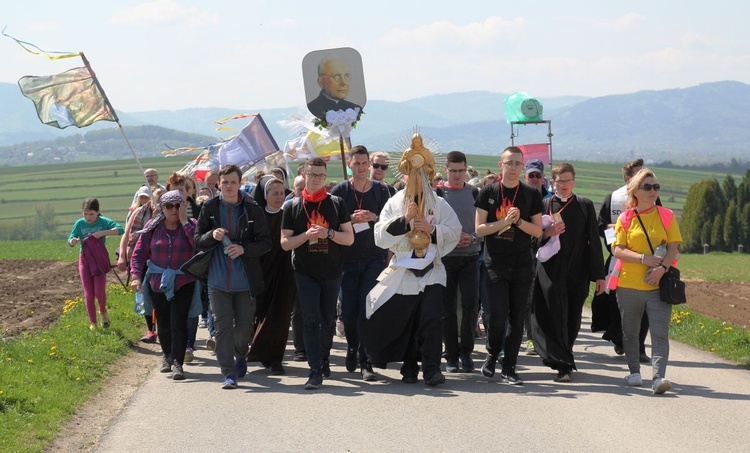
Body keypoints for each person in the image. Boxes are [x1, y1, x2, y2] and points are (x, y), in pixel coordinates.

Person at [365, 133, 462, 386]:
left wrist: (433, 231)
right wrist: (405, 220)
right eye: (413, 172)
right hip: (405, 269)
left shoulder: (438, 204)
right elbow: (379, 236)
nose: (418, 177)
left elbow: (455, 230)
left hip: (431, 269)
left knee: (430, 319)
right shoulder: (395, 203)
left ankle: (432, 369)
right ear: (405, 173)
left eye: (423, 172)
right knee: (408, 319)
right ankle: (409, 367)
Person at [194, 165, 271, 389]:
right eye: (224, 182)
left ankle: (241, 354)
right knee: (222, 327)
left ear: (239, 183)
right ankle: (228, 372)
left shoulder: (252, 208)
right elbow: (197, 240)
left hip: (245, 281)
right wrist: (212, 235)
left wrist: (244, 249)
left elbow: (266, 243)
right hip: (217, 281)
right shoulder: (209, 208)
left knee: (243, 327)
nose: (228, 186)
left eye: (232, 182)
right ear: (219, 184)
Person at [281, 157, 354, 390]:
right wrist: (306, 236)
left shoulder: (336, 203)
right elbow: (285, 243)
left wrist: (328, 233)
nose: (316, 179)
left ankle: (324, 359)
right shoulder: (292, 205)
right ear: (303, 174)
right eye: (312, 175)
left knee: (328, 320)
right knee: (311, 321)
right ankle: (314, 370)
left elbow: (349, 238)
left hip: (332, 271)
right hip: (305, 271)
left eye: (321, 176)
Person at [529, 163, 605, 382]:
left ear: (574, 181)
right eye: (559, 181)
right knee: (550, 314)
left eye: (568, 180)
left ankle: (564, 356)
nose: (564, 185)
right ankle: (563, 363)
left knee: (572, 316)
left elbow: (593, 241)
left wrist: (599, 275)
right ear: (552, 182)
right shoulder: (543, 205)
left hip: (576, 270)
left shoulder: (584, 205)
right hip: (549, 270)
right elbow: (531, 238)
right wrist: (547, 233)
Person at [475, 146, 543, 385]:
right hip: (496, 262)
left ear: (522, 167)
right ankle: (492, 354)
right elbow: (479, 229)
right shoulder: (488, 192)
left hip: (522, 263)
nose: (513, 167)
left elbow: (537, 230)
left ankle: (509, 367)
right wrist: (503, 222)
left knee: (516, 317)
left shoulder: (531, 195)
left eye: (517, 163)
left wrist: (519, 221)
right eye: (509, 163)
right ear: (500, 164)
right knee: (497, 314)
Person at [611, 168, 682, 395]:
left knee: (660, 332)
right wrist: (644, 259)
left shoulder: (666, 215)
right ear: (636, 191)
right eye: (648, 187)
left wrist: (661, 268)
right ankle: (634, 372)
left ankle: (659, 376)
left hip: (657, 285)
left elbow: (673, 247)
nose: (653, 191)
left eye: (655, 187)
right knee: (630, 331)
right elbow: (617, 250)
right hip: (629, 284)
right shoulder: (625, 218)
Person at [331, 145, 391, 381]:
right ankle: (352, 347)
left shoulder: (381, 190)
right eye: (357, 163)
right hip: (346, 260)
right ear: (350, 165)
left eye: (365, 163)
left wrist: (373, 217)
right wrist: (348, 219)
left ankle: (366, 362)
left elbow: (391, 220)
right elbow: (332, 224)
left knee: (367, 310)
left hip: (373, 259)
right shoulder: (340, 191)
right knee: (349, 311)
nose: (362, 167)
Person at [130, 190, 197, 381]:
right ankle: (167, 356)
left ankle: (178, 362)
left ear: (183, 207)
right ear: (162, 208)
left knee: (179, 322)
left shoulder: (192, 226)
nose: (174, 210)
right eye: (169, 206)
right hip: (158, 282)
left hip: (184, 281)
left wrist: (185, 223)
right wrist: (136, 276)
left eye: (178, 205)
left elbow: (199, 246)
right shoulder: (152, 227)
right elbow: (139, 253)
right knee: (164, 322)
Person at [592, 159, 653, 362]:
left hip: (645, 260)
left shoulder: (652, 198)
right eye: (638, 176)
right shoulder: (614, 198)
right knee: (620, 304)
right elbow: (600, 227)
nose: (644, 181)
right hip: (620, 259)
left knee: (644, 305)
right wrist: (615, 232)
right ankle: (620, 339)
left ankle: (639, 347)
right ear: (628, 178)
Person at [246, 177, 297, 375]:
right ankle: (260, 352)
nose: (278, 197)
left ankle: (276, 358)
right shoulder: (255, 216)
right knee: (258, 314)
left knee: (281, 316)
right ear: (264, 195)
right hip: (260, 272)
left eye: (281, 193)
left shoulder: (289, 215)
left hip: (285, 273)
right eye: (273, 193)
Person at [436, 151, 481, 373]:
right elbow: (431, 224)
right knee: (448, 309)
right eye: (453, 171)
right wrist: (452, 238)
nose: (457, 175)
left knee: (471, 305)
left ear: (466, 170)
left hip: (471, 257)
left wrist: (472, 237)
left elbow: (485, 223)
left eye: (461, 170)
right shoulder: (438, 194)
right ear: (446, 170)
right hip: (445, 258)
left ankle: (467, 352)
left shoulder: (475, 192)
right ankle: (451, 355)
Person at [117, 186, 165, 343]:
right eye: (156, 201)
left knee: (161, 295)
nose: (158, 205)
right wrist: (123, 256)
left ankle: (165, 328)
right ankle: (151, 330)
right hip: (142, 257)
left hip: (162, 260)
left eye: (161, 202)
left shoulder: (171, 216)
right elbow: (127, 234)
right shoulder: (140, 212)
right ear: (151, 201)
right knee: (145, 294)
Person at [68, 198, 124, 330]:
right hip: (85, 259)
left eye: (91, 214)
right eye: (85, 214)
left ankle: (103, 311)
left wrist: (103, 233)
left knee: (99, 292)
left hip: (99, 260)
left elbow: (120, 229)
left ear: (98, 212)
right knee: (89, 293)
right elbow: (70, 238)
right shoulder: (79, 224)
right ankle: (93, 323)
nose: (88, 217)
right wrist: (73, 241)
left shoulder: (103, 222)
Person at [522, 159, 552, 355]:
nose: (534, 179)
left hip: (549, 256)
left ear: (543, 178)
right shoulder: (520, 197)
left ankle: (546, 339)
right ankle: (531, 340)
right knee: (528, 300)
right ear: (525, 176)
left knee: (544, 299)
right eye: (531, 175)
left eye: (537, 175)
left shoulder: (551, 200)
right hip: (526, 253)